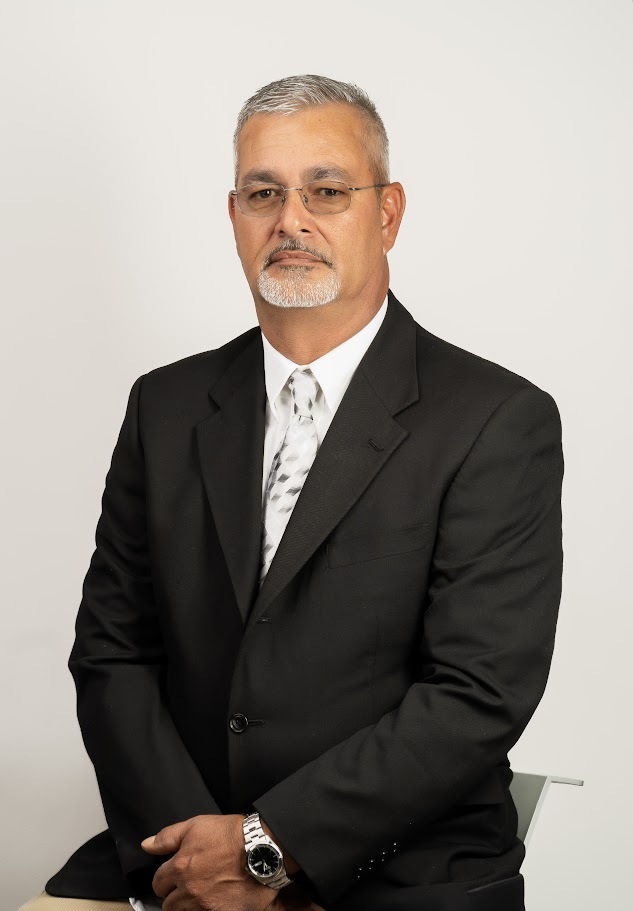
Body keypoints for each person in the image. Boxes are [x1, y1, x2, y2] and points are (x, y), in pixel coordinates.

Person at [27, 74, 563, 911]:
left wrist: (267, 852)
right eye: (262, 193)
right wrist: (196, 852)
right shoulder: (164, 406)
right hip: (178, 847)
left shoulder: (497, 419)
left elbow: (476, 693)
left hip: (397, 864)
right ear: (234, 215)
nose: (291, 220)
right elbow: (112, 654)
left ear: (386, 213)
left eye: (327, 190)